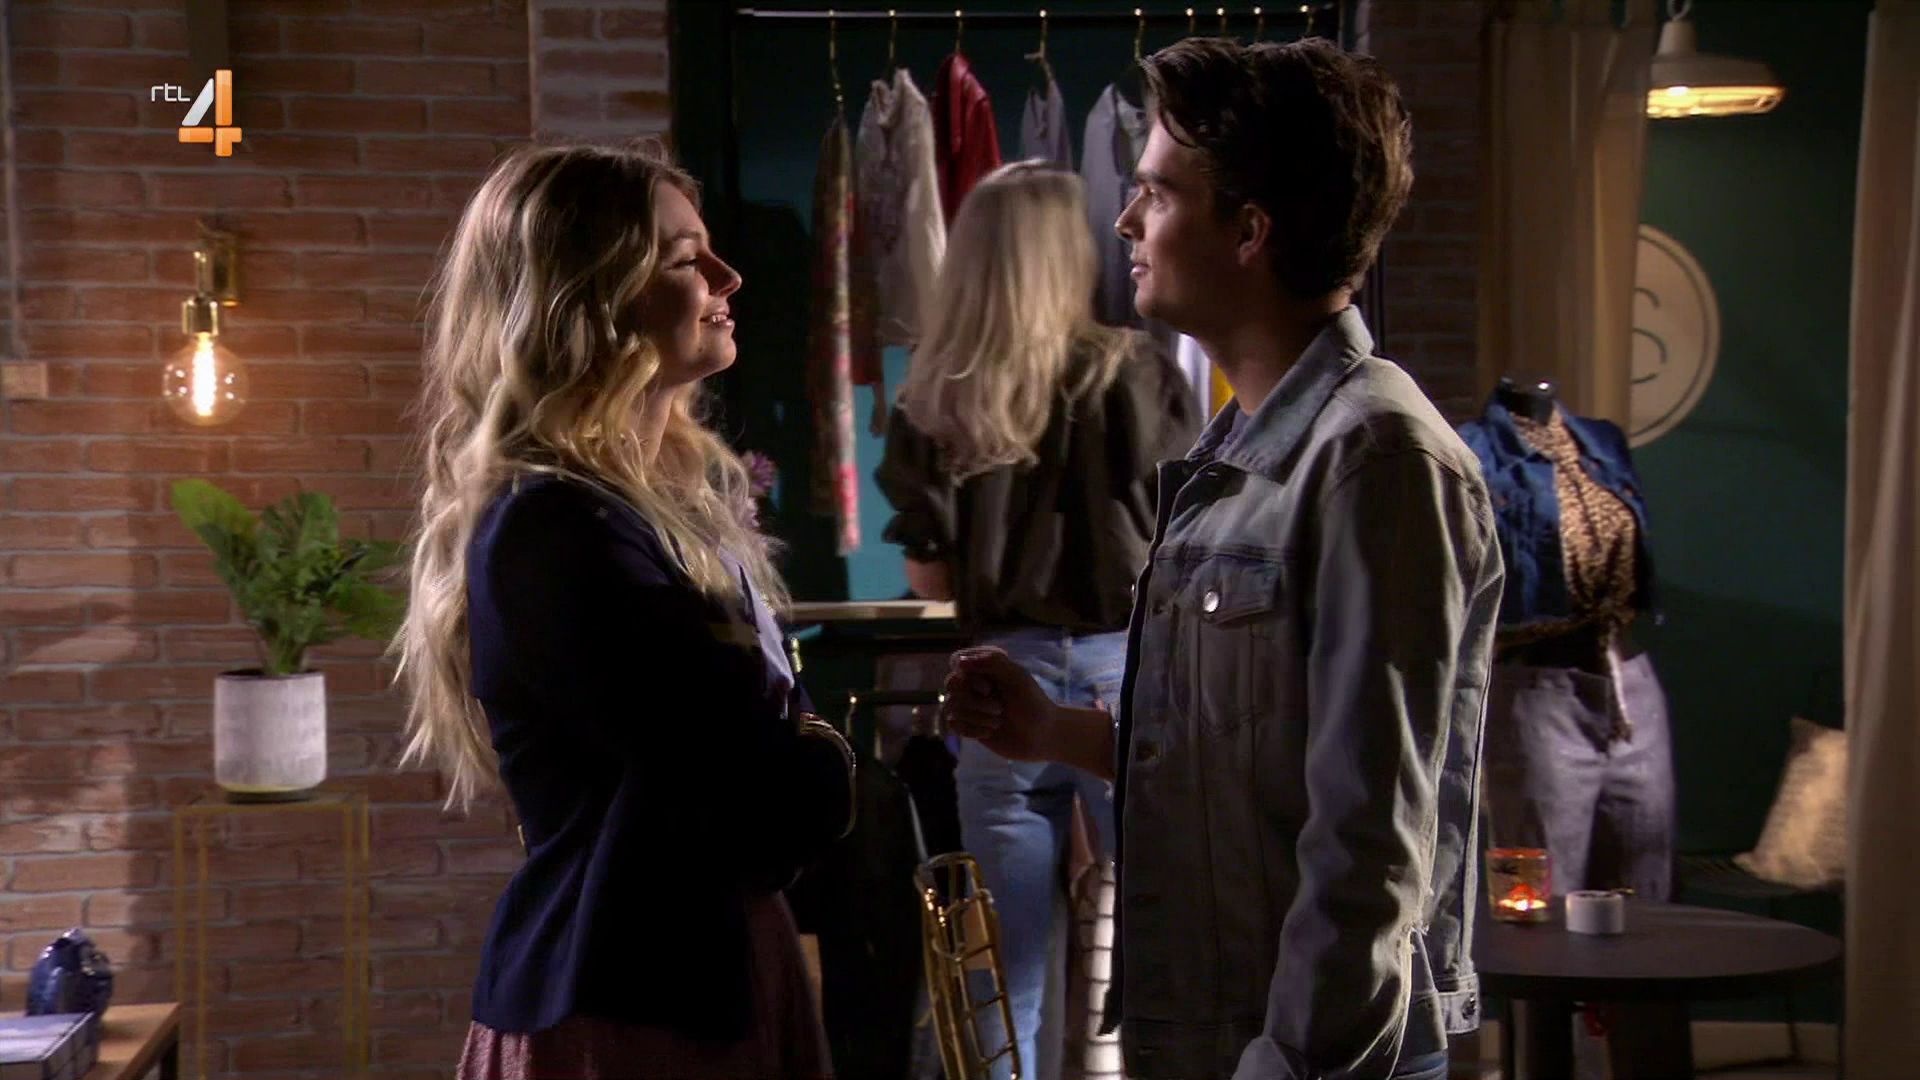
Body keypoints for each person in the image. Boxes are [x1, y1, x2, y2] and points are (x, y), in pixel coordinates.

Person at [940, 38, 1505, 1080]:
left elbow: (1371, 837)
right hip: (1212, 1030)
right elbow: (1247, 759)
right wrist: (1053, 732)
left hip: (1301, 1053)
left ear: (1249, 230)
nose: (1125, 221)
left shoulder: (1373, 459)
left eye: (1158, 194)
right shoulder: (1236, 455)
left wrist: (1289, 1059)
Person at [395, 140, 854, 1080]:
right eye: (686, 259)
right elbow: (752, 792)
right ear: (590, 303)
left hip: (694, 968)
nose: (727, 276)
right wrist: (822, 759)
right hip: (630, 998)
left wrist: (801, 756)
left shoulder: (646, 513)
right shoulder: (554, 529)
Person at [876, 160, 1200, 1080]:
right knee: (1170, 949)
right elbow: (1187, 533)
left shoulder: (938, 392)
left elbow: (929, 571)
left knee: (1000, 972)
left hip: (999, 681)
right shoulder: (1135, 371)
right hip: (1125, 676)